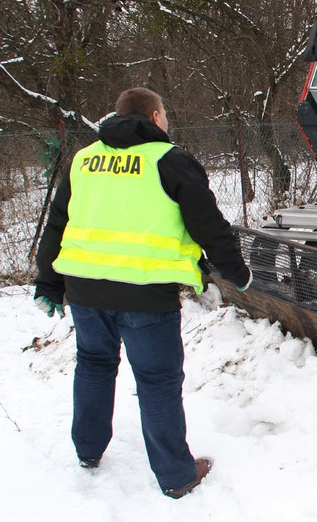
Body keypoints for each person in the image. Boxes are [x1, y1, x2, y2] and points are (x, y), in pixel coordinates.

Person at [33, 87, 252, 499]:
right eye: (165, 116)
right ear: (154, 117)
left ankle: (88, 451)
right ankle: (176, 476)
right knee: (157, 382)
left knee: (94, 366)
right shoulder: (169, 160)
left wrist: (48, 282)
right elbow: (209, 225)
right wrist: (237, 273)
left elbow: (57, 224)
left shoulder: (84, 159)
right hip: (146, 297)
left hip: (85, 291)